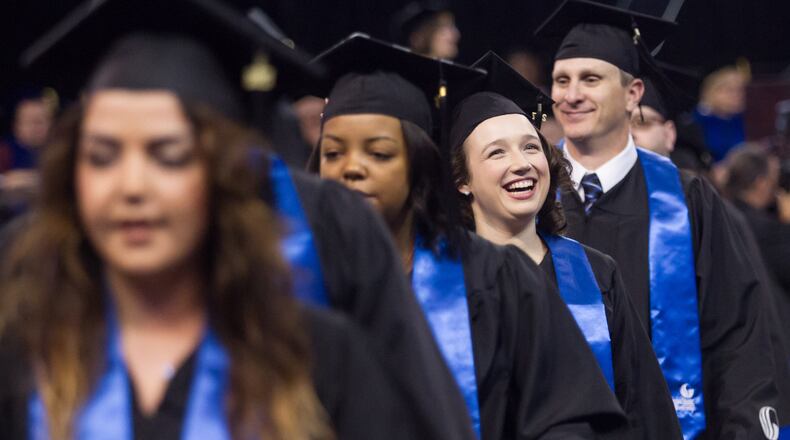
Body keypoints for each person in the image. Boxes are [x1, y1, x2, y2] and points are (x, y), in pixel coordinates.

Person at [12, 3, 481, 439]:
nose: (131, 186)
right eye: (101, 156)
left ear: (227, 177)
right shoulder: (22, 351)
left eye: (169, 156)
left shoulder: (321, 357)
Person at [308, 33, 628, 439]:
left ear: (418, 164)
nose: (351, 168)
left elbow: (566, 411)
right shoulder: (286, 279)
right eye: (333, 153)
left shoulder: (496, 278)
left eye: (380, 153)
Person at [536, 0, 786, 437]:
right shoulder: (530, 199)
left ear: (633, 94)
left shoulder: (688, 200)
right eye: (561, 80)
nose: (571, 94)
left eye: (590, 79)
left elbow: (737, 335)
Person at [448, 52, 681, 439]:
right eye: (496, 152)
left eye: (530, 147)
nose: (521, 163)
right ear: (462, 180)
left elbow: (644, 409)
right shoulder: (442, 284)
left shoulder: (594, 272)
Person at [390, 1, 460, 60]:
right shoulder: (387, 75)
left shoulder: (454, 75)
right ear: (417, 37)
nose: (457, 34)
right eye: (444, 26)